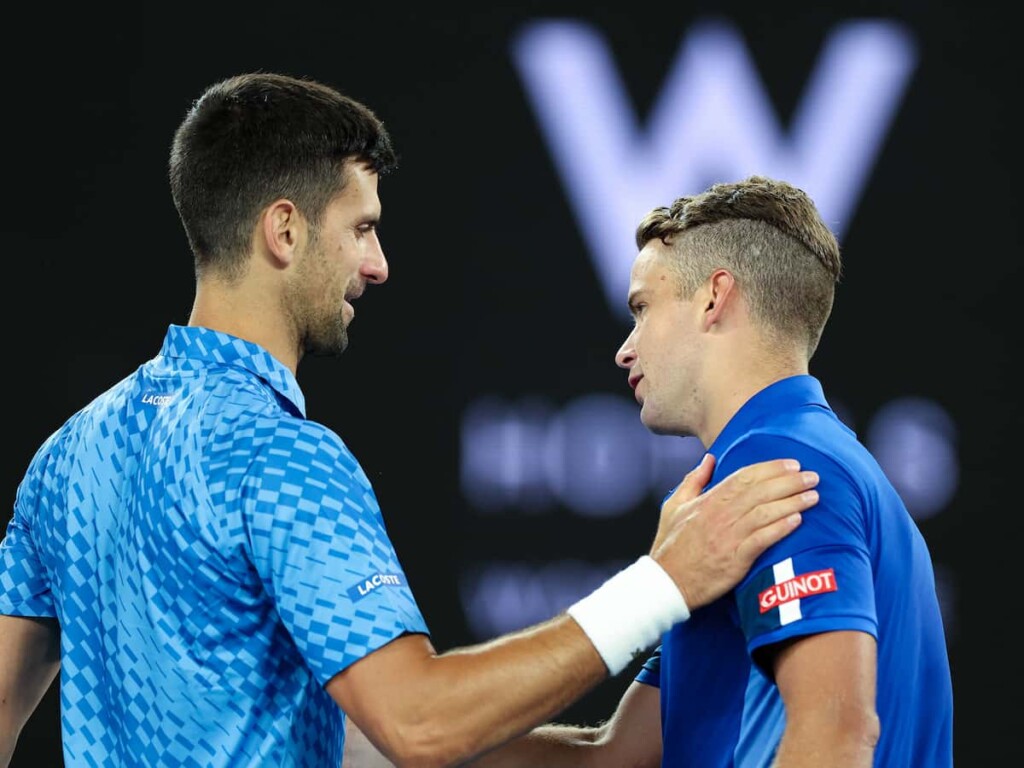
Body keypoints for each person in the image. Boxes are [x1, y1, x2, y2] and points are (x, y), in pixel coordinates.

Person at [0, 74, 822, 768]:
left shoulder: (68, 455)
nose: (378, 264)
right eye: (361, 228)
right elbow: (419, 723)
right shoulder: (281, 461)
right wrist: (662, 584)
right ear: (283, 230)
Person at [456, 176, 955, 767]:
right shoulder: (771, 478)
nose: (625, 348)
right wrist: (395, 747)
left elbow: (837, 736)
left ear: (714, 298)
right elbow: (613, 758)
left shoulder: (780, 466)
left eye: (642, 308)